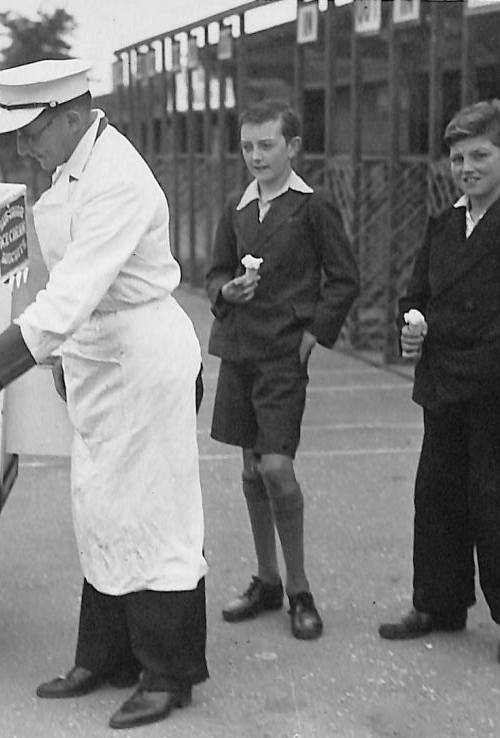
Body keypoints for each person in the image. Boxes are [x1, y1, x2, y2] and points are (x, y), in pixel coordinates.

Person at [0, 58, 208, 730]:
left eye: (31, 130)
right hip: (98, 354)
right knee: (99, 506)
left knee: (155, 512)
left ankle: (167, 673)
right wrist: (63, 361)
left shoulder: (117, 180)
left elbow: (69, 296)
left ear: (73, 116)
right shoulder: (73, 167)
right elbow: (66, 295)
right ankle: (106, 657)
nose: (20, 146)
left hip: (141, 357)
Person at [378, 100, 500, 666]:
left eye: (480, 155)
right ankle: (439, 601)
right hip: (443, 378)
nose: (467, 167)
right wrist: (408, 325)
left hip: (498, 385)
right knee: (436, 493)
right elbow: (415, 295)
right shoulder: (442, 224)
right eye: (458, 157)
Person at [205, 99, 359, 641]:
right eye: (247, 146)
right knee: (250, 470)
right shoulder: (237, 206)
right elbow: (216, 270)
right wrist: (226, 290)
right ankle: (266, 579)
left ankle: (300, 589)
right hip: (240, 350)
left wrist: (313, 336)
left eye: (266, 145)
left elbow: (344, 278)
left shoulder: (311, 207)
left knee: (276, 469)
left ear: (292, 147)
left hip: (282, 356)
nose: (255, 156)